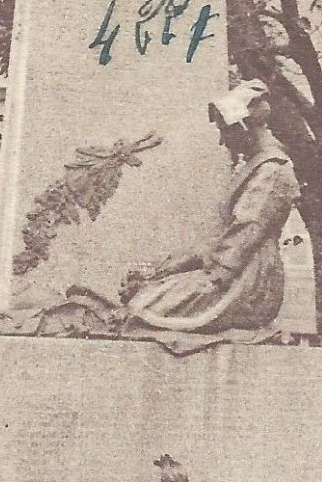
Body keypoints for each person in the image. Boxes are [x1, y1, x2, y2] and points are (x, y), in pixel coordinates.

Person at [119, 78, 298, 336]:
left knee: (144, 306)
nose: (223, 142)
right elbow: (220, 239)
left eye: (225, 131)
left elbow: (245, 233)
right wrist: (169, 267)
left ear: (244, 127)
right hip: (229, 272)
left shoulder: (273, 171)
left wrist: (213, 276)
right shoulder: (255, 168)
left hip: (247, 281)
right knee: (147, 296)